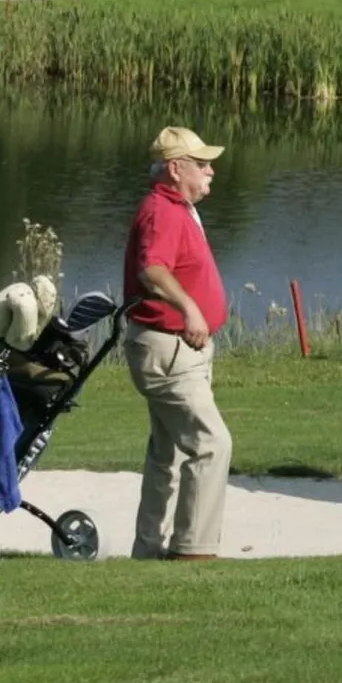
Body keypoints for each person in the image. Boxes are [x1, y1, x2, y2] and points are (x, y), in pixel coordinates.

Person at [122, 125, 234, 561]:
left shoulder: (176, 206)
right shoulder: (164, 211)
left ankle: (148, 549)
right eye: (202, 164)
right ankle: (193, 552)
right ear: (175, 168)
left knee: (165, 454)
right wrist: (190, 308)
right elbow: (152, 270)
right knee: (212, 444)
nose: (211, 172)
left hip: (176, 350)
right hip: (168, 350)